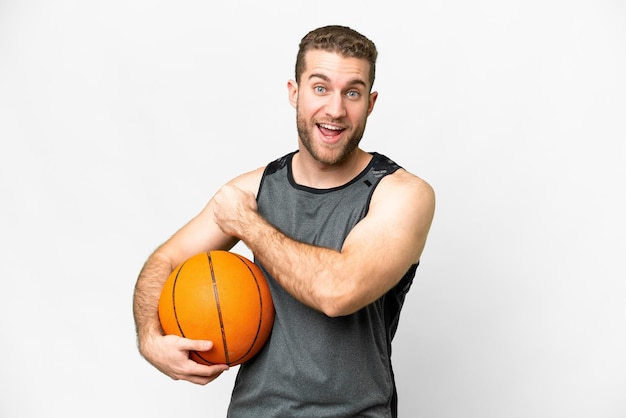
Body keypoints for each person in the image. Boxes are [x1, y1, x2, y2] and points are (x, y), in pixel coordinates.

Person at [133, 24, 435, 417]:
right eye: (321, 87)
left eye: (353, 92)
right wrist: (149, 339)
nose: (335, 109)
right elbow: (165, 261)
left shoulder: (402, 195)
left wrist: (249, 225)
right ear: (295, 93)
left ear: (371, 103)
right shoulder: (254, 190)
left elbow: (337, 292)